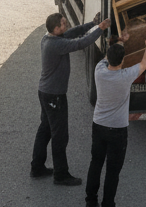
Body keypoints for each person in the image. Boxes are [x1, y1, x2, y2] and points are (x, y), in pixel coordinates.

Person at [31, 13, 110, 185]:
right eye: (63, 23)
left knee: (45, 129)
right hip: (54, 96)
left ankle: (37, 167)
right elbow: (80, 43)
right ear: (56, 28)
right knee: (60, 136)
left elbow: (73, 33)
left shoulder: (49, 37)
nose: (66, 25)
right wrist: (100, 29)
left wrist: (92, 24)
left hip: (45, 92)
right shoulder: (56, 44)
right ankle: (60, 174)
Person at [85, 31, 146, 207]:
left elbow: (107, 57)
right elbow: (145, 63)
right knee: (112, 171)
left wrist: (119, 42)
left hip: (99, 125)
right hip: (117, 130)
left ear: (108, 58)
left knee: (95, 164)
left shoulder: (99, 70)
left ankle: (90, 203)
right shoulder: (125, 76)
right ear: (122, 61)